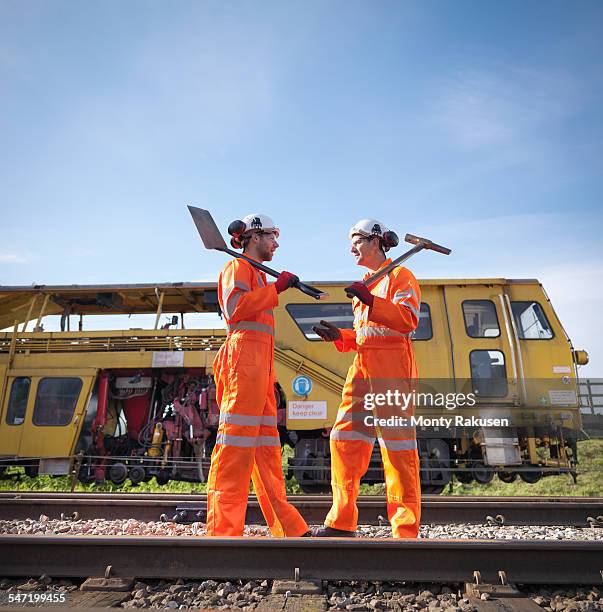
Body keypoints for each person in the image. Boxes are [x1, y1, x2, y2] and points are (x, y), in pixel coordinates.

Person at [312, 219, 422, 539]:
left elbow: (407, 320)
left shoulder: (401, 277)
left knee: (397, 451)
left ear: (375, 241)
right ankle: (342, 521)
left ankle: (404, 529)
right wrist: (340, 336)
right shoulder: (366, 284)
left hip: (392, 373)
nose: (351, 247)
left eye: (356, 240)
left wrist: (371, 301)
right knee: (343, 441)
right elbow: (366, 336)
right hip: (362, 370)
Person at [206, 214, 309, 537]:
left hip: (259, 367)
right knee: (234, 449)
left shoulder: (255, 274)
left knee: (267, 453)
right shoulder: (237, 269)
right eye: (272, 236)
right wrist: (277, 288)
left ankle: (288, 527)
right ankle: (223, 531)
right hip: (243, 364)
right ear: (253, 236)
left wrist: (273, 287)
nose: (276, 243)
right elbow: (234, 308)